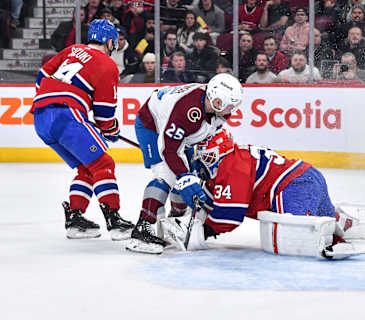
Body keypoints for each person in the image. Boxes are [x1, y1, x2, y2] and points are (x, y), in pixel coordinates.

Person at [161, 129, 365, 257]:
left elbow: (229, 217)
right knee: (315, 223)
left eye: (201, 152)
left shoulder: (231, 167)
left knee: (293, 240)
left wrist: (200, 232)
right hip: (304, 179)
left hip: (294, 186)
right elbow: (221, 203)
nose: (197, 157)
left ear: (213, 153)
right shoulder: (229, 162)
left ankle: (332, 237)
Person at [30, 19, 134, 240]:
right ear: (109, 41)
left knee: (87, 167)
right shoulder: (107, 65)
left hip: (40, 117)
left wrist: (50, 99)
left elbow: (42, 75)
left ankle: (75, 220)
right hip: (65, 115)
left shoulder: (72, 49)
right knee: (104, 163)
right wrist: (110, 129)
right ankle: (115, 221)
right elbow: (104, 114)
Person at [126, 73, 243, 254]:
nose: (228, 110)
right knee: (167, 174)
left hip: (182, 135)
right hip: (152, 125)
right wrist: (184, 175)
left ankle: (175, 220)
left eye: (231, 106)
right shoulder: (187, 109)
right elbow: (169, 150)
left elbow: (201, 136)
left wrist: (193, 169)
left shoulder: (216, 109)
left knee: (188, 177)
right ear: (213, 96)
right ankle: (142, 227)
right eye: (223, 104)